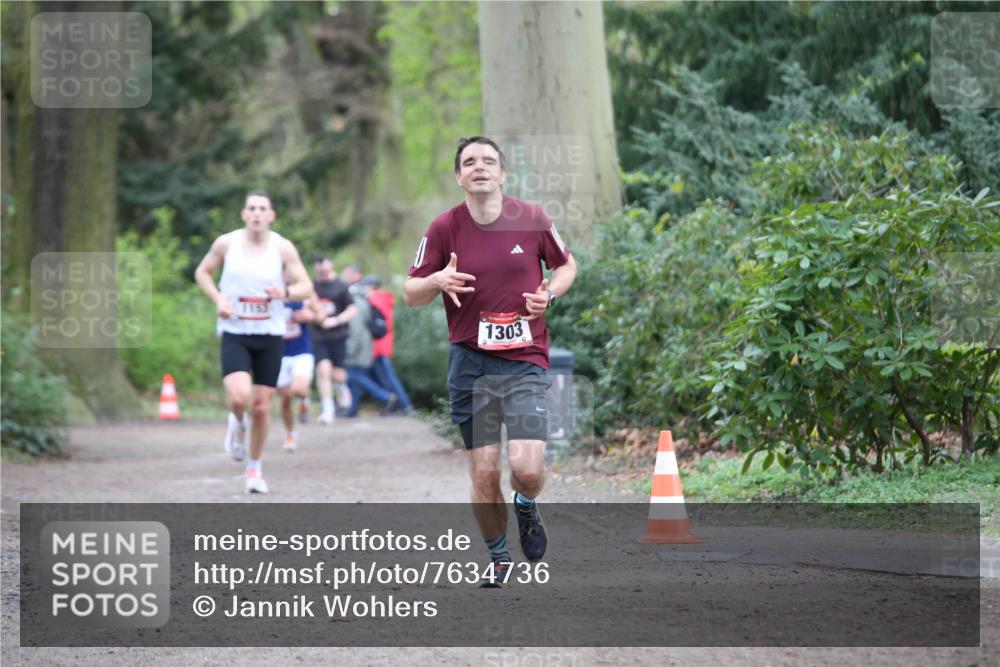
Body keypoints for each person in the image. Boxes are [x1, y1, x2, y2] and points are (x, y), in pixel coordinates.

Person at [403, 136, 577, 586]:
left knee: (527, 470)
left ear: (502, 173)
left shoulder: (533, 219)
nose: (479, 167)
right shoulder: (444, 228)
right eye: (469, 162)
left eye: (488, 161)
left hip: (524, 362)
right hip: (471, 366)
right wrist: (437, 280)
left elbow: (567, 266)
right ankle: (499, 558)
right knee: (483, 470)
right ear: (459, 177)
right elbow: (410, 293)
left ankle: (526, 505)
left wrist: (550, 294)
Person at [194, 190, 313, 494]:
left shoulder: (282, 248)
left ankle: (254, 469)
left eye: (263, 208)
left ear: (271, 215)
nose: (257, 213)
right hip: (235, 331)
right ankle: (236, 423)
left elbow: (305, 286)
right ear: (244, 214)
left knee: (261, 407)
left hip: (270, 335)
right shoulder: (227, 243)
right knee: (238, 397)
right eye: (252, 208)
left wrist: (285, 293)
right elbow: (203, 273)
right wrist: (219, 299)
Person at [310, 257, 356, 424]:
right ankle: (328, 409)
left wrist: (337, 320)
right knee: (323, 371)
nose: (322, 271)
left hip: (338, 336)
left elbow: (352, 308)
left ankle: (342, 388)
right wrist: (315, 318)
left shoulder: (341, 286)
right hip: (318, 336)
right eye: (319, 268)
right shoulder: (311, 287)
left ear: (331, 266)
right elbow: (306, 308)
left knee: (338, 374)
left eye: (325, 268)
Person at [343, 284, 399, 416]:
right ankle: (353, 408)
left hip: (358, 348)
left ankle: (385, 396)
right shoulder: (365, 302)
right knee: (355, 375)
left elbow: (356, 331)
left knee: (353, 375)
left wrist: (349, 350)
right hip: (366, 346)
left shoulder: (355, 304)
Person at [362, 276, 414, 414]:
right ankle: (397, 406)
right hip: (383, 344)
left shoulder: (373, 300)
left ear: (371, 286)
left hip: (378, 345)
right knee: (385, 378)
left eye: (364, 286)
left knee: (388, 378)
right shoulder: (383, 299)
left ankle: (405, 406)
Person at [276, 297, 321, 451]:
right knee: (285, 398)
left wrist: (311, 315)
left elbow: (321, 316)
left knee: (299, 389)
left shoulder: (303, 295)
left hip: (301, 351)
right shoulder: (269, 295)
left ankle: (304, 400)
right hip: (278, 353)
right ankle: (290, 434)